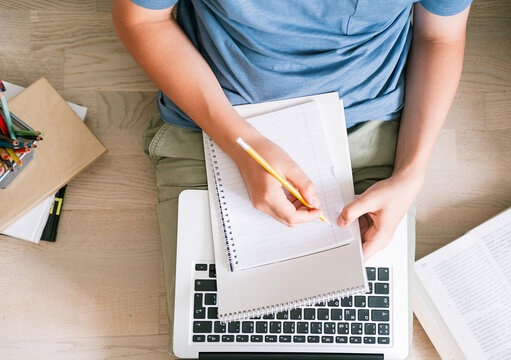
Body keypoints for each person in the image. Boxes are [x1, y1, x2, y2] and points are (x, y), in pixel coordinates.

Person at [113, 0, 471, 352]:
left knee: (357, 332)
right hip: (212, 115)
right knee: (217, 333)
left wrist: (411, 172)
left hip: (363, 127)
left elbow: (440, 37)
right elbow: (142, 20)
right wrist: (242, 144)